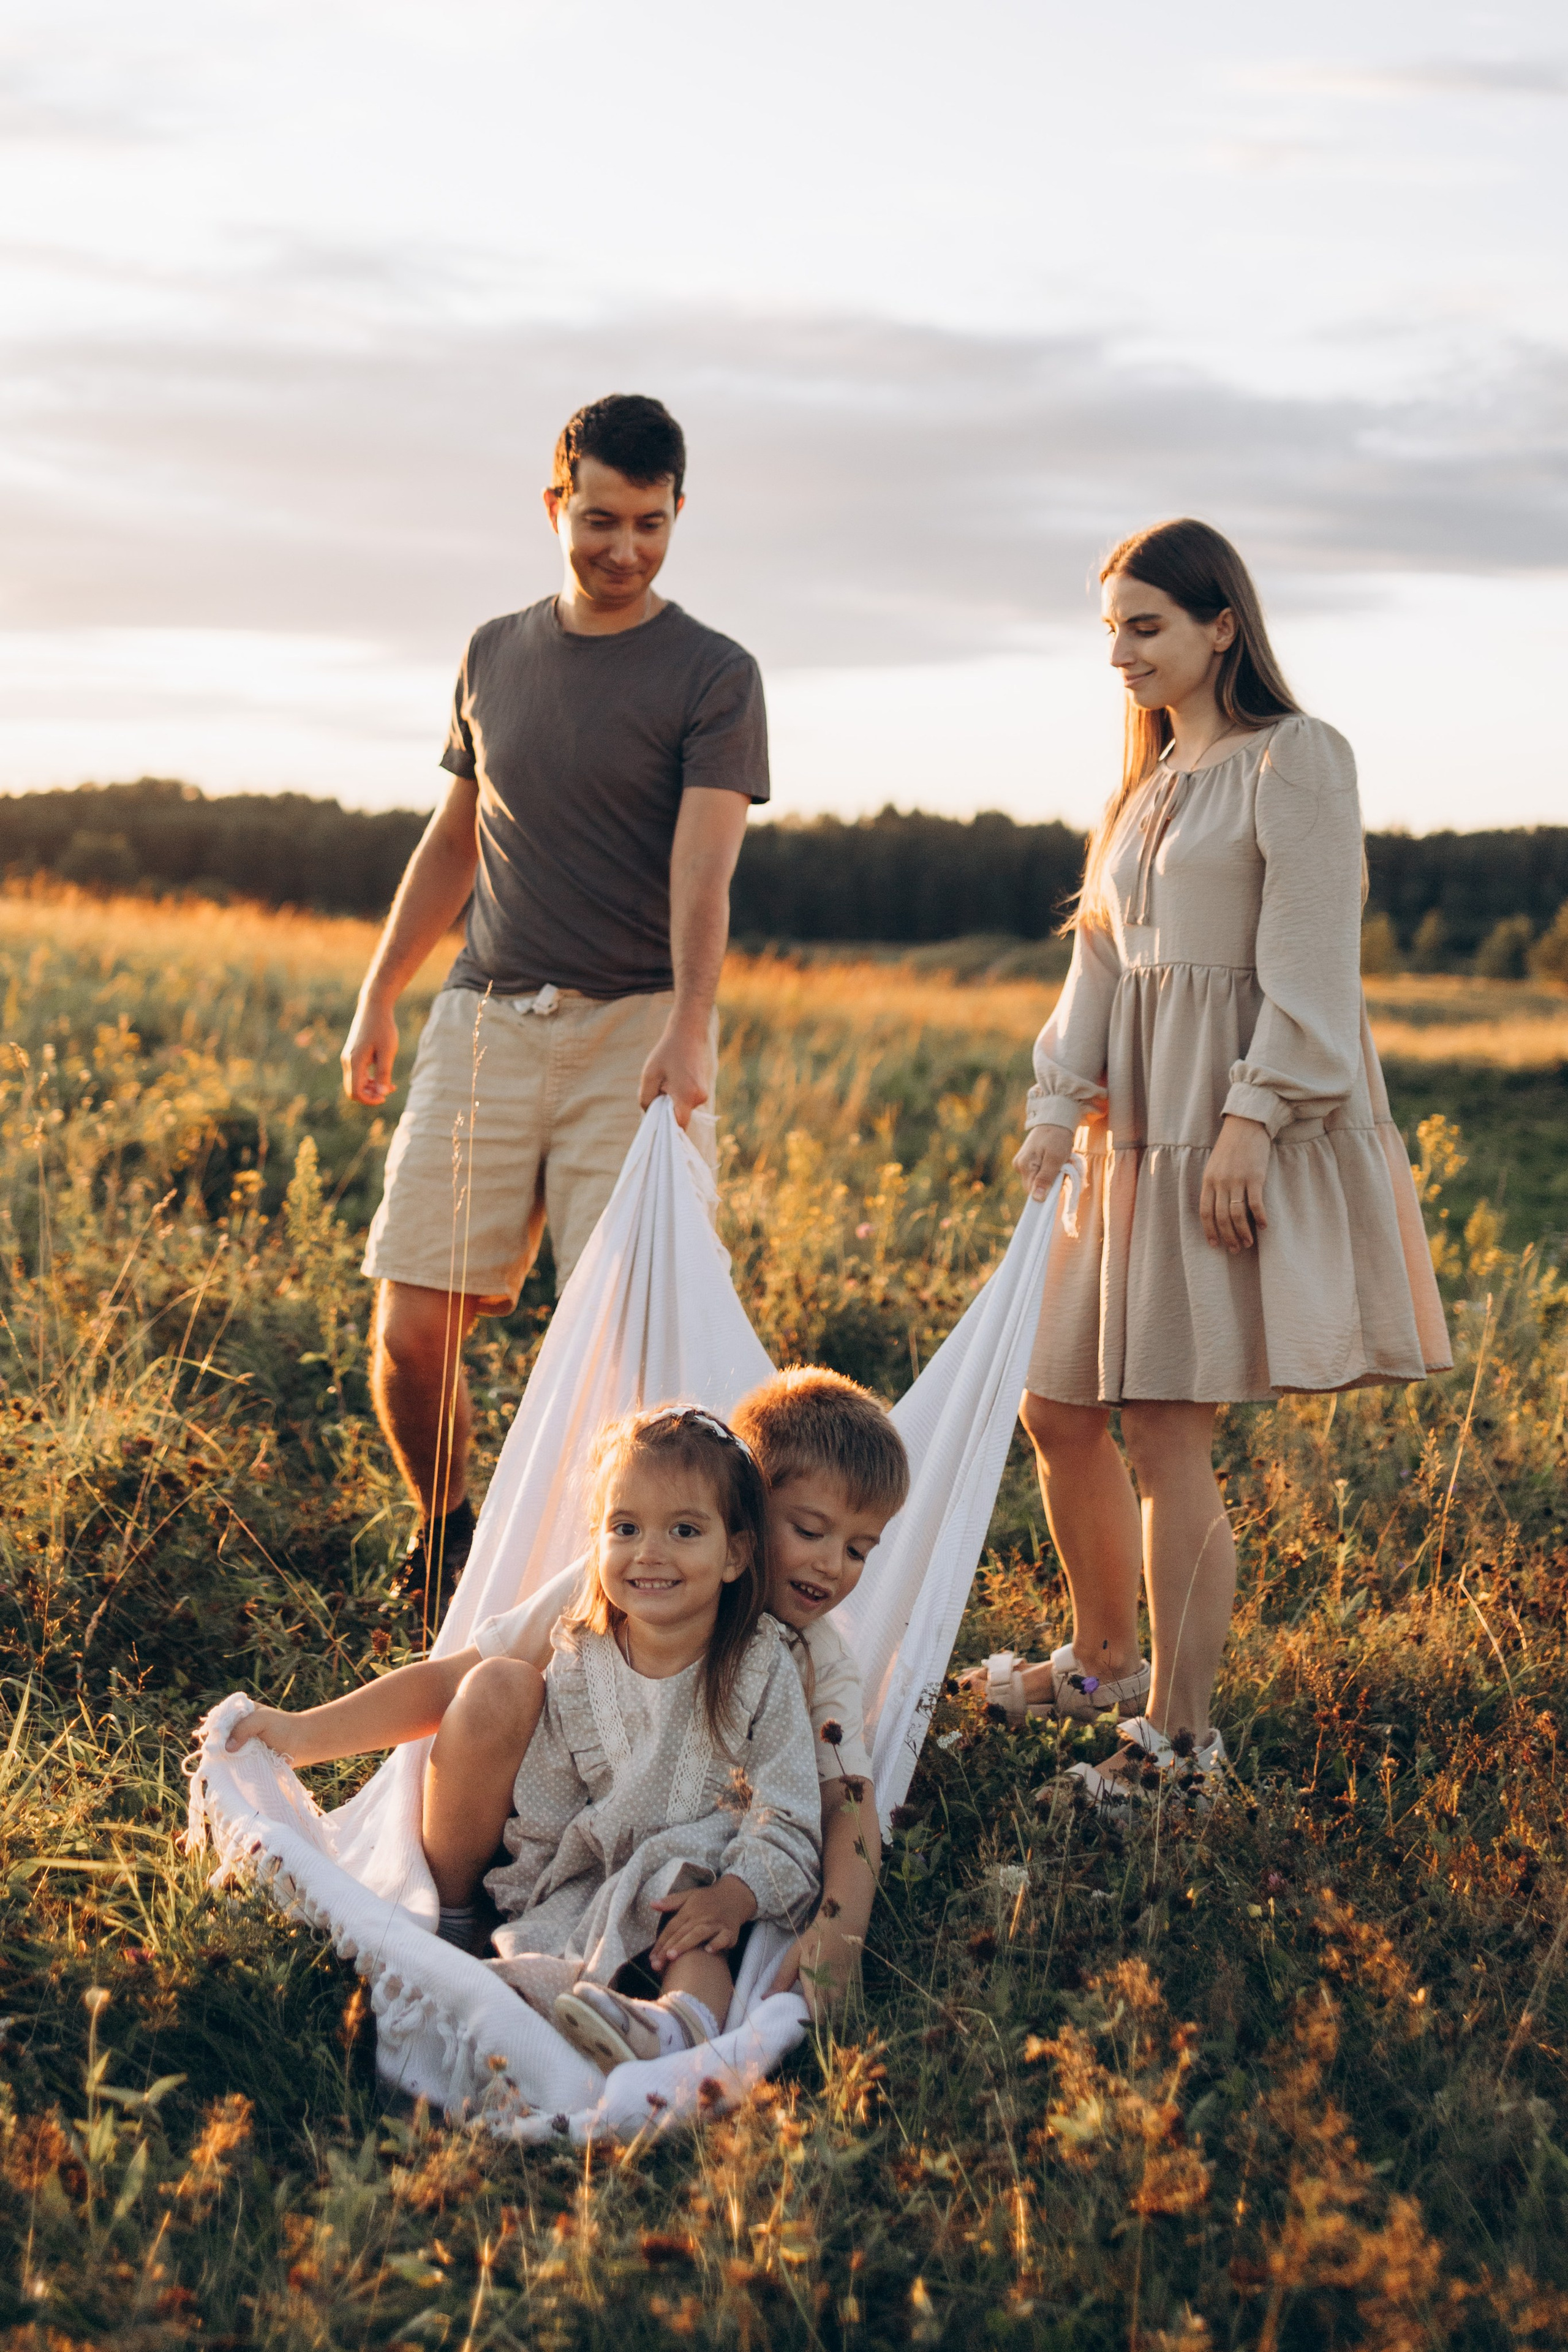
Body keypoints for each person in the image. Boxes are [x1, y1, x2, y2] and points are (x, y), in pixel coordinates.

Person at [970, 518, 1450, 1805]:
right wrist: (1051, 1102)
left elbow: (1306, 965)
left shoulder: (1292, 761)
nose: (1121, 653)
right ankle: (1101, 1660)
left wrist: (1249, 1119)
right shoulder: (1143, 788)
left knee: (1164, 1427)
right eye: (1111, 630)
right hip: (1122, 1135)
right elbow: (1099, 964)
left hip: (1218, 1124)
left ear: (1219, 626)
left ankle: (1180, 1752)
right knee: (1056, 1405)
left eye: (1148, 626)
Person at [342, 393, 770, 1618]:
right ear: (554, 507)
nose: (622, 548)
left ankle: (603, 1590)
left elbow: (705, 868)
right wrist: (382, 991)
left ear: (677, 512)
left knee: (628, 1353)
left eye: (648, 523)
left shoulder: (713, 675)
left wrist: (688, 1028)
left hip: (636, 1028)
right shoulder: (493, 653)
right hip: (484, 1017)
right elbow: (455, 837)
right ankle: (448, 1529)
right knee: (412, 1334)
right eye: (598, 519)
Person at [230, 1370, 910, 2020]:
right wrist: (303, 1734)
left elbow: (843, 1799)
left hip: (676, 1877)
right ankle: (457, 1920)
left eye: (859, 1550)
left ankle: (651, 2012)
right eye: (811, 1532)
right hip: (543, 1848)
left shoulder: (812, 1657)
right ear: (748, 1514)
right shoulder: (626, 1578)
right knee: (496, 1682)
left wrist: (839, 1936)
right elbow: (451, 1679)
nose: (831, 1565)